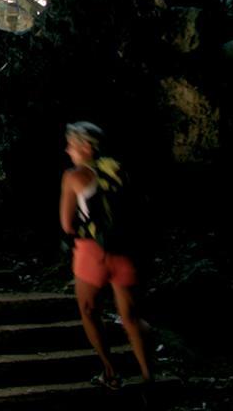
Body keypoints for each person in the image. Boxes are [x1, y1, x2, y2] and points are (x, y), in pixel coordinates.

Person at [60, 121, 151, 389]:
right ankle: (149, 376)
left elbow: (67, 223)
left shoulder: (74, 177)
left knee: (89, 311)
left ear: (86, 147)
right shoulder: (121, 170)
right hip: (126, 250)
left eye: (72, 145)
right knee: (132, 316)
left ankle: (110, 371)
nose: (68, 150)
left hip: (92, 252)